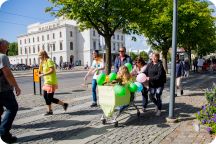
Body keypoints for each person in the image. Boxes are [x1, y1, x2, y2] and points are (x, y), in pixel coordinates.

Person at [0, 39, 21, 143]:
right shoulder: (2, 57)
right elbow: (7, 74)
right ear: (1, 46)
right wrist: (16, 86)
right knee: (12, 108)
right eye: (6, 46)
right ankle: (3, 133)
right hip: (3, 89)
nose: (8, 48)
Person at [38, 50, 68, 115]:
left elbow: (52, 70)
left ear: (43, 55)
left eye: (39, 55)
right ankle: (49, 111)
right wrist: (40, 64)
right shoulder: (44, 62)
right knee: (45, 97)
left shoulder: (49, 61)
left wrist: (43, 74)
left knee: (50, 98)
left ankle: (64, 104)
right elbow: (39, 71)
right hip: (46, 82)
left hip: (51, 81)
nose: (39, 57)